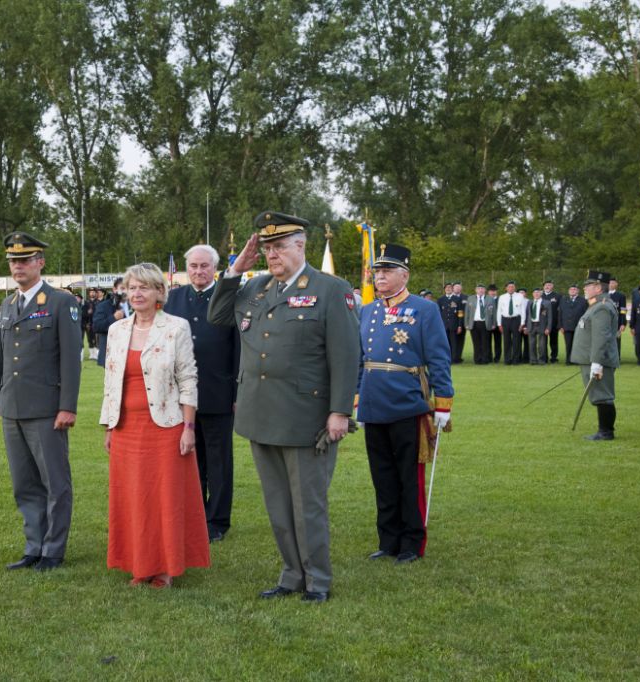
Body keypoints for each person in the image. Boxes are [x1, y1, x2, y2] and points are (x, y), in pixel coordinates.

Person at [208, 211, 360, 603]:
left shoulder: (330, 289)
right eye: (266, 248)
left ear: (300, 246)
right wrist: (234, 269)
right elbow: (218, 315)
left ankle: (318, 580)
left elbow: (345, 355)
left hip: (305, 417)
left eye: (278, 247)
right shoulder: (256, 287)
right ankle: (292, 574)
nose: (271, 255)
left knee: (307, 505)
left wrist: (340, 411)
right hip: (261, 415)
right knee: (278, 505)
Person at [101, 262, 209, 588]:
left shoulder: (176, 327)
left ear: (159, 292)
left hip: (166, 427)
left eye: (144, 287)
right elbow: (110, 380)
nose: (136, 293)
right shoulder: (116, 330)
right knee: (133, 498)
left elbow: (188, 378)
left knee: (164, 498)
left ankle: (165, 568)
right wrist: (109, 425)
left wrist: (189, 428)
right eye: (132, 287)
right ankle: (139, 564)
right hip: (126, 429)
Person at [0, 232, 82, 571]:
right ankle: (34, 546)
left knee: (55, 483)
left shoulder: (60, 302)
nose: (18, 266)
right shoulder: (8, 304)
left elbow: (71, 359)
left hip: (46, 409)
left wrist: (67, 406)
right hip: (12, 407)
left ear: (40, 262)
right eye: (13, 261)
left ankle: (53, 550)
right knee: (24, 484)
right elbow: (1, 357)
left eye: (25, 260)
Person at [356, 244, 453, 564]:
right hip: (373, 403)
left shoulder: (424, 310)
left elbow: (439, 357)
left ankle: (411, 542)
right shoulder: (368, 310)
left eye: (386, 272)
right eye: (377, 272)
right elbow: (360, 359)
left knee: (408, 478)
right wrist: (356, 397)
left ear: (404, 275)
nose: (379, 276)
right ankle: (388, 540)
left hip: (407, 404)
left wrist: (442, 404)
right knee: (382, 477)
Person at [163, 244, 240, 543]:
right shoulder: (174, 298)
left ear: (214, 268)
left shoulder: (226, 297)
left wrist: (236, 391)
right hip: (181, 397)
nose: (198, 271)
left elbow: (237, 347)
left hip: (217, 390)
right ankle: (194, 515)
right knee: (191, 459)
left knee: (219, 461)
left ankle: (217, 521)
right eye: (193, 266)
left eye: (204, 266)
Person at [569, 270, 620, 441]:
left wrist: (596, 363)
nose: (585, 288)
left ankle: (606, 432)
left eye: (588, 285)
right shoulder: (596, 305)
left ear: (598, 287)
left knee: (602, 395)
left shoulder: (602, 307)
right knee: (598, 395)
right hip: (591, 359)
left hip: (599, 360)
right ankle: (604, 430)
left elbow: (601, 337)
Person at [92, 278, 128, 368]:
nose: (126, 291)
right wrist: (113, 318)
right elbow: (97, 326)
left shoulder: (136, 305)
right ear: (114, 289)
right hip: (111, 355)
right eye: (123, 288)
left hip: (132, 353)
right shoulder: (103, 306)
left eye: (129, 288)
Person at [465, 283, 495, 364]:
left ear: (485, 290)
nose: (480, 290)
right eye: (479, 289)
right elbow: (467, 312)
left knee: (485, 342)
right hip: (474, 323)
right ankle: (477, 359)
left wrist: (493, 323)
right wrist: (466, 324)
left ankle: (485, 359)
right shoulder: (470, 298)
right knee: (476, 343)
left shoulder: (490, 299)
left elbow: (494, 312)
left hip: (485, 323)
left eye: (482, 288)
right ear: (476, 290)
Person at [497, 281, 526, 365]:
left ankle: (516, 360)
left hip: (516, 320)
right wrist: (499, 324)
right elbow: (499, 311)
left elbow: (523, 310)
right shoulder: (502, 297)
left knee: (516, 341)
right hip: (505, 320)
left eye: (512, 287)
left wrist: (522, 323)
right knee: (506, 341)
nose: (511, 288)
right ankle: (507, 360)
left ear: (515, 288)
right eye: (509, 287)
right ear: (506, 288)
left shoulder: (520, 296)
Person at [560, 284, 586, 365]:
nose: (572, 291)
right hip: (566, 326)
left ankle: (577, 360)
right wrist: (560, 326)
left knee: (577, 344)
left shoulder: (583, 300)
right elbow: (560, 313)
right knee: (568, 344)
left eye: (574, 289)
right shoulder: (564, 299)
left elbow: (585, 314)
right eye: (571, 289)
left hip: (578, 326)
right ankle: (568, 360)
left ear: (578, 291)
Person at [524, 287, 553, 364]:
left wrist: (548, 328)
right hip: (531, 325)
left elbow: (550, 316)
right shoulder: (530, 302)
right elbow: (527, 315)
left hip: (541, 325)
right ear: (533, 294)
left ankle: (542, 360)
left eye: (538, 292)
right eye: (535, 293)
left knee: (542, 344)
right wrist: (526, 327)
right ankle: (533, 360)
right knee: (531, 344)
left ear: (541, 293)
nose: (536, 294)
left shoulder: (547, 303)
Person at [437, 284, 462, 363]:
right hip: (443, 325)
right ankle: (445, 358)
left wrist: (460, 325)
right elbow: (438, 313)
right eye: (447, 288)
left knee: (454, 343)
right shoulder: (440, 299)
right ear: (444, 289)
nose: (448, 289)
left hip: (454, 325)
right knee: (444, 343)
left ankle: (453, 359)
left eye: (450, 288)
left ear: (452, 289)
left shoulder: (457, 299)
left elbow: (460, 313)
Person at [541, 281, 562, 362]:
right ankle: (544, 357)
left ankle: (554, 357)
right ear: (543, 287)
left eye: (549, 285)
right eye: (546, 285)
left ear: (552, 286)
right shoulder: (540, 295)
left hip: (553, 322)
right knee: (543, 341)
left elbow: (560, 310)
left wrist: (559, 323)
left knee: (553, 341)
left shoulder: (557, 296)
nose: (547, 286)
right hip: (543, 323)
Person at [607, 277, 627, 356]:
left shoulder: (621, 295)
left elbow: (623, 310)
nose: (611, 284)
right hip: (604, 322)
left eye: (613, 283)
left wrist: (623, 323)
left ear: (616, 284)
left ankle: (616, 358)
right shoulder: (603, 295)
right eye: (609, 283)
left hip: (617, 322)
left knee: (616, 341)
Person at [487, 285, 502, 363]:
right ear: (488, 292)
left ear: (497, 291)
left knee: (498, 342)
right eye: (491, 291)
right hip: (488, 324)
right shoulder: (485, 299)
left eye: (494, 291)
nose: (493, 292)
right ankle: (489, 357)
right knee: (487, 342)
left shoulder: (501, 299)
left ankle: (497, 358)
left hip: (498, 324)